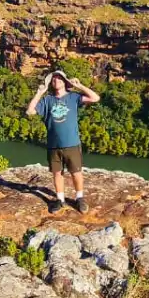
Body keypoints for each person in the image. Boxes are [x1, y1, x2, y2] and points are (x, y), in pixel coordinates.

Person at [26, 70, 101, 213]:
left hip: (72, 143)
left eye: (59, 78)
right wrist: (39, 93)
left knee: (76, 172)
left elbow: (95, 98)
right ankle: (60, 200)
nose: (56, 80)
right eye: (53, 79)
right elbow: (30, 111)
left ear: (65, 82)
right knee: (57, 173)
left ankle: (79, 198)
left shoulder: (73, 97)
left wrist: (80, 86)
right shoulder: (47, 100)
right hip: (53, 145)